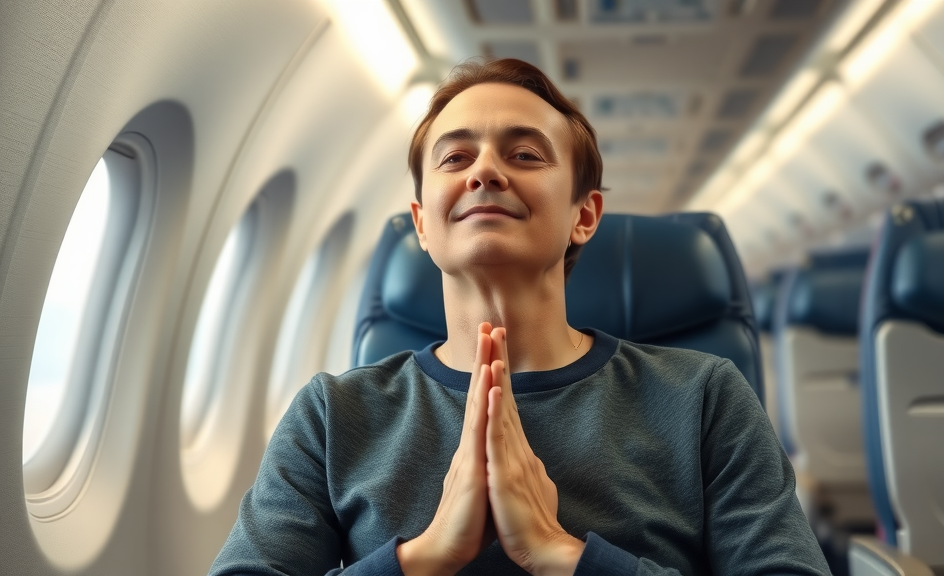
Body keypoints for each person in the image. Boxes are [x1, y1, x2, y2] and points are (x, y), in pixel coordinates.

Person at [210, 59, 830, 576]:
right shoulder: (330, 418)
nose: (485, 170)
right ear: (422, 223)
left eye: (526, 154)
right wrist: (422, 559)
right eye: (454, 159)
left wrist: (563, 555)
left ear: (583, 216)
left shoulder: (703, 398)